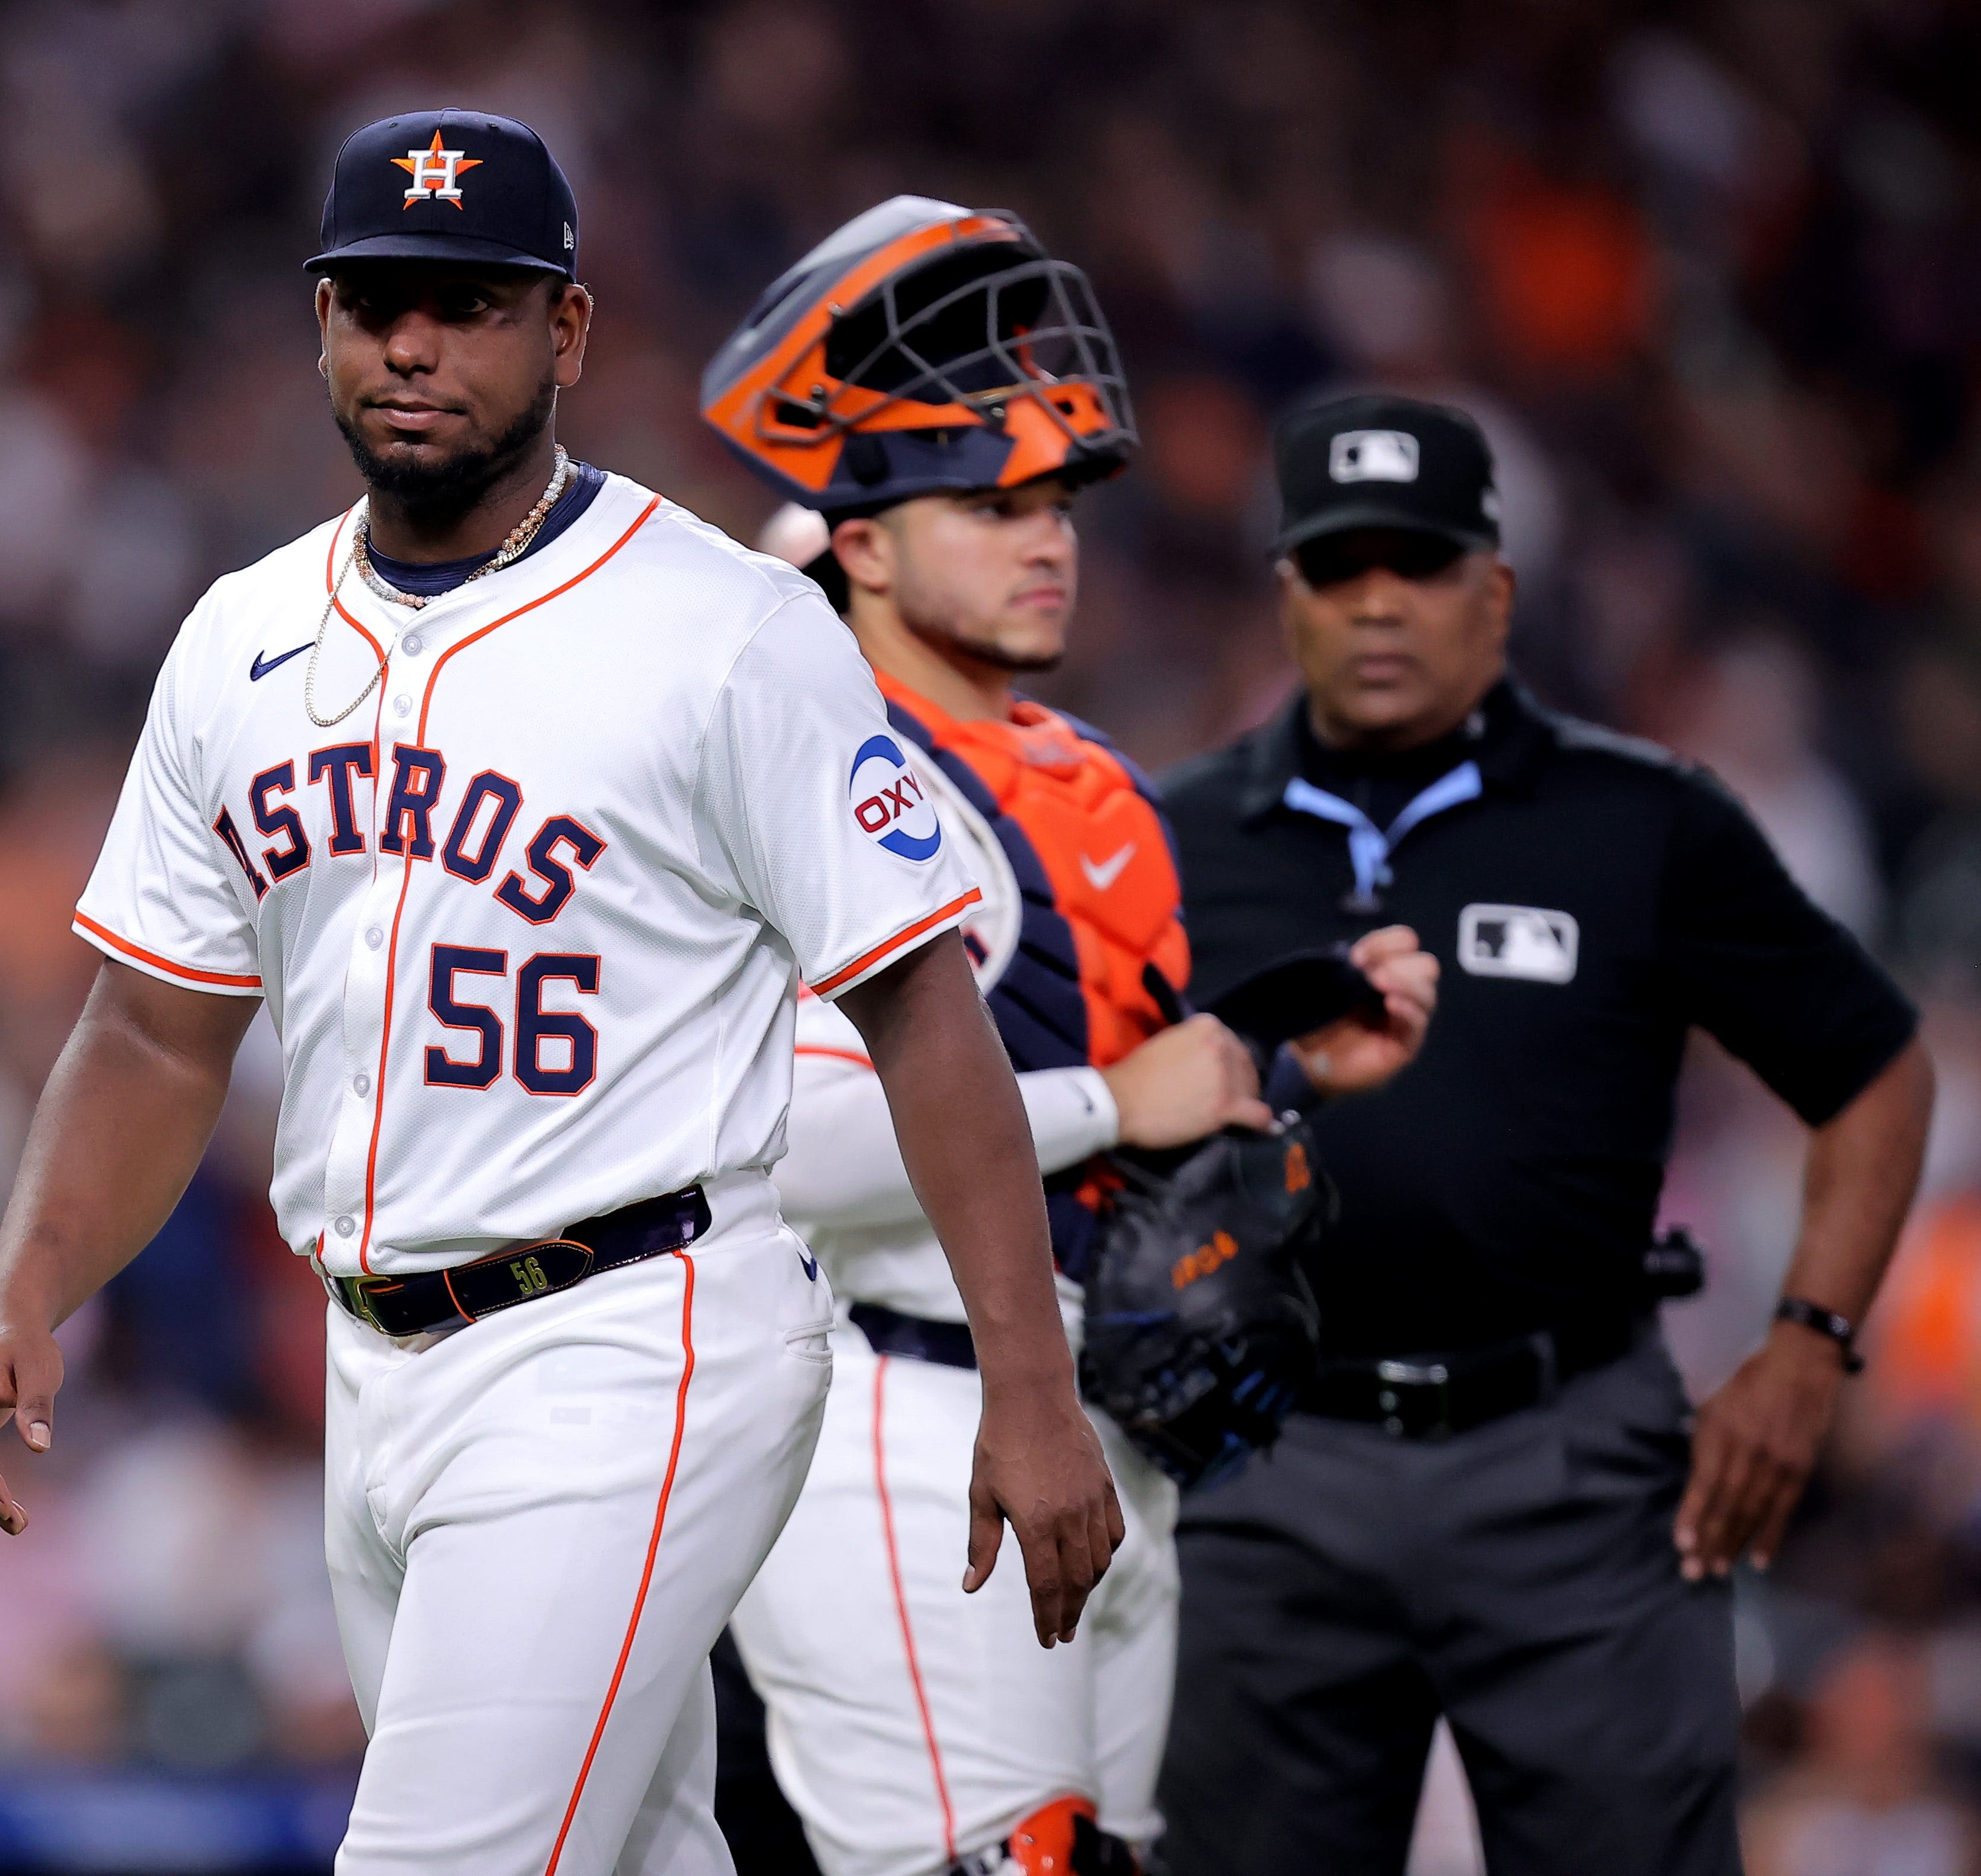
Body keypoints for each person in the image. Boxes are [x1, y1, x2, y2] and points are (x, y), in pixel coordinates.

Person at [0, 116, 1124, 1876]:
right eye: (379, 303)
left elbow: (921, 1013)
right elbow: (151, 1027)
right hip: (374, 1364)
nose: (415, 347)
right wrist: (26, 1281)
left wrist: (1028, 1388)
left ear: (562, 332)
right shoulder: (238, 640)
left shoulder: (720, 625)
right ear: (322, 320)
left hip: (632, 1334)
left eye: (471, 305)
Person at [696, 200, 1437, 1876]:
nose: (1045, 541)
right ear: (860, 544)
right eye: (985, 506)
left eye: (1054, 506)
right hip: (892, 1412)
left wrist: (1285, 1058)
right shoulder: (810, 774)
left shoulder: (1080, 776)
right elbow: (786, 1150)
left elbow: (1110, 1080)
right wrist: (1112, 1100)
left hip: (1094, 1423)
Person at [1155, 392, 1938, 1875]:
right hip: (1269, 1464)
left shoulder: (1639, 820)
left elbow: (1876, 1069)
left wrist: (1808, 1343)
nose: (1377, 599)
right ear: (1286, 596)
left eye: (1420, 560)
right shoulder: (1173, 832)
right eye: (1338, 565)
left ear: (1494, 587)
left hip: (1572, 1461)